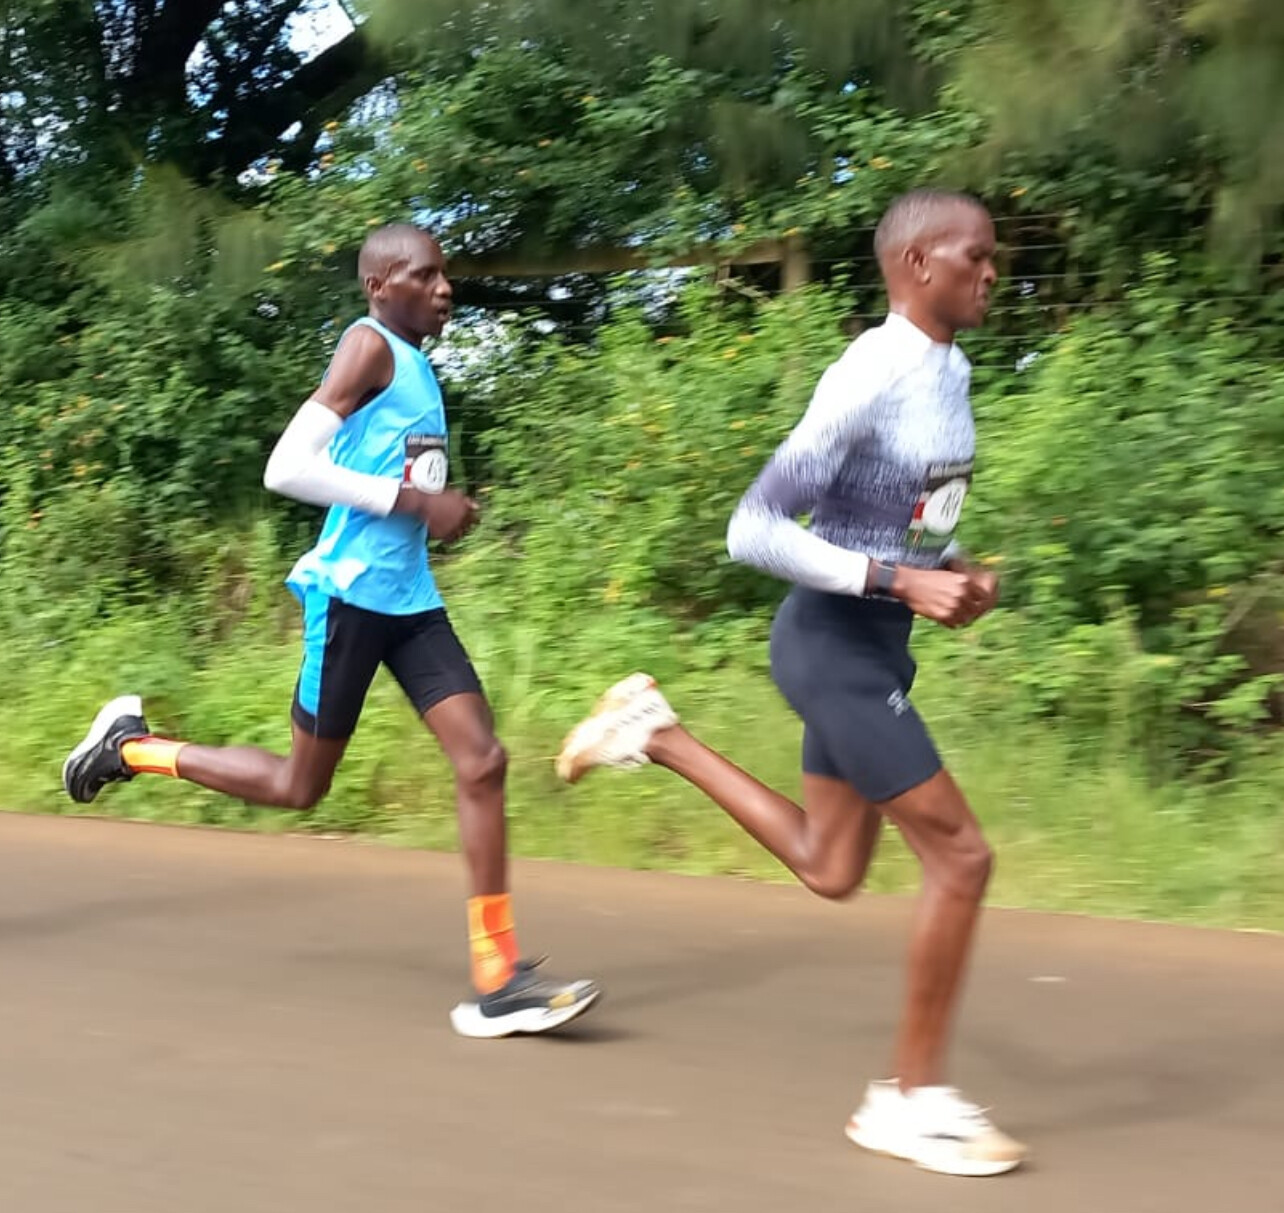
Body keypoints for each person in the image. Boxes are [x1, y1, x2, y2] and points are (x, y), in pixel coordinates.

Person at [555, 190, 1025, 1176]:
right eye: (975, 255)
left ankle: (654, 731)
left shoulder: (953, 371)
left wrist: (956, 570)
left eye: (995, 256)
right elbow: (753, 529)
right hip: (830, 643)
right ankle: (908, 1100)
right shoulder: (871, 373)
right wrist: (900, 581)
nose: (993, 271)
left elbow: (905, 522)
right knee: (962, 857)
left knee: (831, 865)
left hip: (876, 644)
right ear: (917, 265)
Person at [62, 223, 599, 1039]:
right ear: (380, 286)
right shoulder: (368, 345)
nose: (445, 287)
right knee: (298, 787)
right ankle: (131, 748)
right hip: (351, 599)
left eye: (446, 274)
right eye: (425, 275)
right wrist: (418, 503)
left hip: (409, 600)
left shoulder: (415, 361)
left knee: (483, 760)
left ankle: (499, 978)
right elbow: (287, 467)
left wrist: (434, 507)